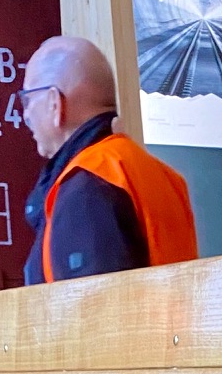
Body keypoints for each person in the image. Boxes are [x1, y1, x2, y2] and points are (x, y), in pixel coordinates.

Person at [16, 36, 197, 284]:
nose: (25, 114)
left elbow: (94, 302)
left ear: (54, 103)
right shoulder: (162, 175)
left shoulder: (86, 183)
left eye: (28, 99)